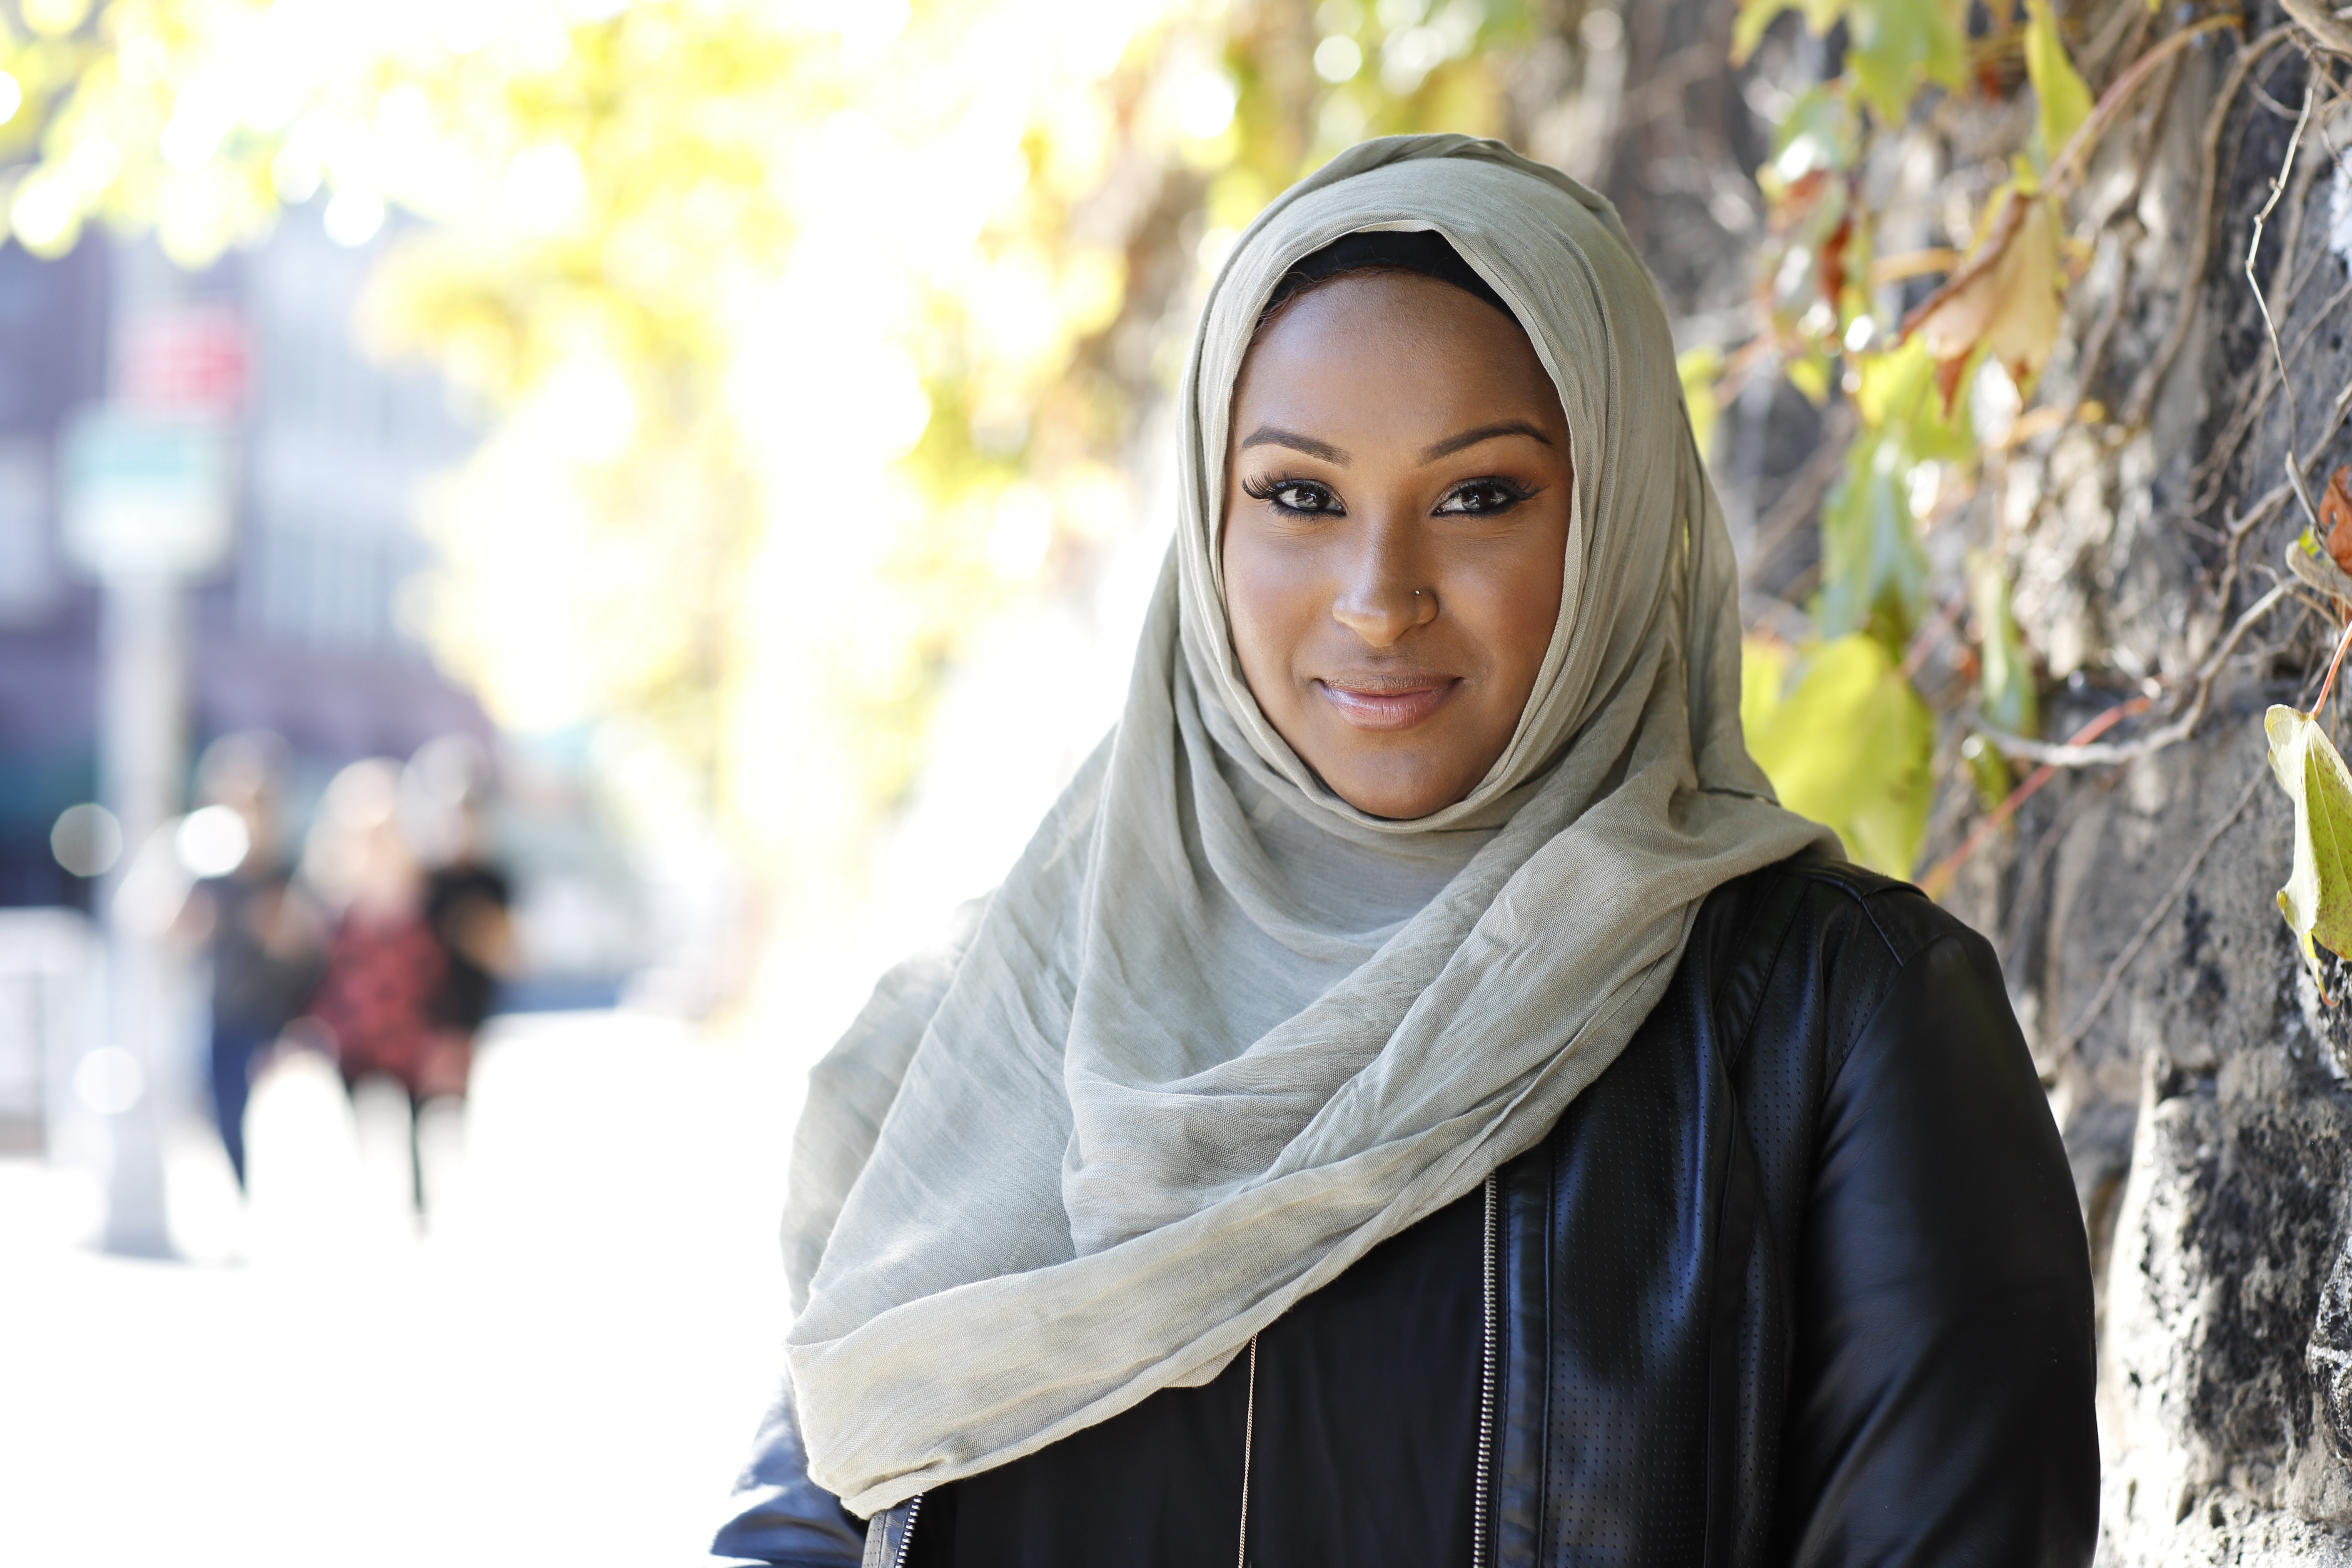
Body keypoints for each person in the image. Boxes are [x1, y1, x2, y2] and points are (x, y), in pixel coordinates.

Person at [713, 136, 2095, 1568]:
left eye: (1480, 494)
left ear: (1615, 521)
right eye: (1299, 496)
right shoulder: (1002, 1015)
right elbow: (815, 1505)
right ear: (1206, 521)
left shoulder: (1839, 1026)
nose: (1379, 598)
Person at [179, 732, 327, 1190]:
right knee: (224, 1118)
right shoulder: (206, 868)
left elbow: (312, 943)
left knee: (282, 1130)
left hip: (284, 1023)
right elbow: (174, 931)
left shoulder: (294, 868)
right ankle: (242, 1199)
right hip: (224, 1016)